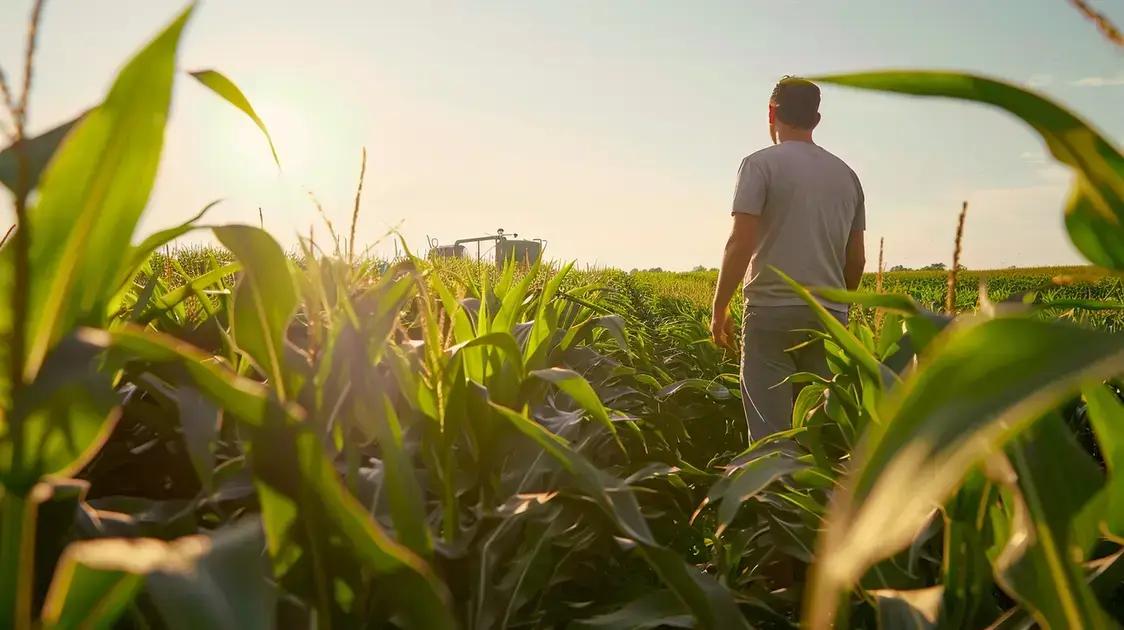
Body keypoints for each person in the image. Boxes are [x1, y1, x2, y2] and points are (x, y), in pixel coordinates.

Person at [710, 76, 866, 443]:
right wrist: (837, 306)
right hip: (829, 315)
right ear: (817, 119)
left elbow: (740, 242)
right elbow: (856, 260)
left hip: (771, 311)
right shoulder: (847, 176)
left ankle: (772, 496)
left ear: (771, 112)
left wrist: (720, 308)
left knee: (770, 436)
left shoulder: (759, 165)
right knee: (825, 432)